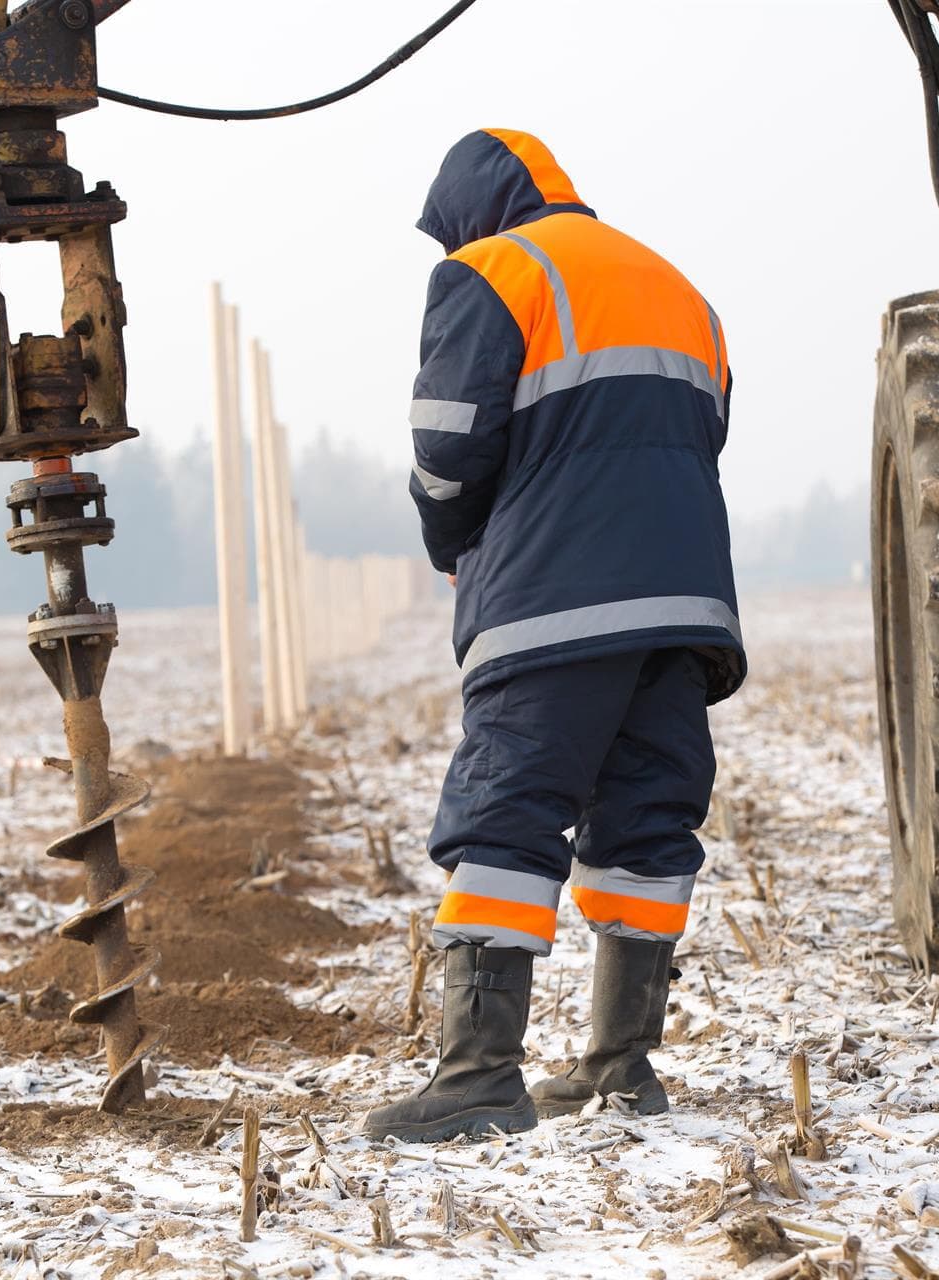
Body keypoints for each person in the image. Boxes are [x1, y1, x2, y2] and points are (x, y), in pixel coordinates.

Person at [362, 129, 743, 1144]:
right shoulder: (672, 282)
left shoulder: (490, 272)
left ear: (470, 213)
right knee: (649, 820)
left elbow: (447, 448)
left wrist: (454, 544)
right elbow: (703, 426)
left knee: (506, 817)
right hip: (684, 604)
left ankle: (480, 1075)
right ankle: (622, 1066)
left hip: (554, 600)